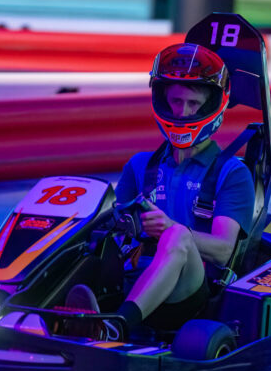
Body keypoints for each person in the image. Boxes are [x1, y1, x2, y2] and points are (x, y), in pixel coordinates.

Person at [67, 43, 255, 337]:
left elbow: (223, 251)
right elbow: (112, 229)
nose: (182, 111)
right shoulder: (139, 165)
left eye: (193, 103)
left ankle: (116, 327)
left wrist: (169, 227)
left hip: (189, 293)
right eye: (176, 101)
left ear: (211, 106)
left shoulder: (231, 173)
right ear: (163, 101)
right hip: (132, 276)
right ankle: (16, 302)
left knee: (177, 236)